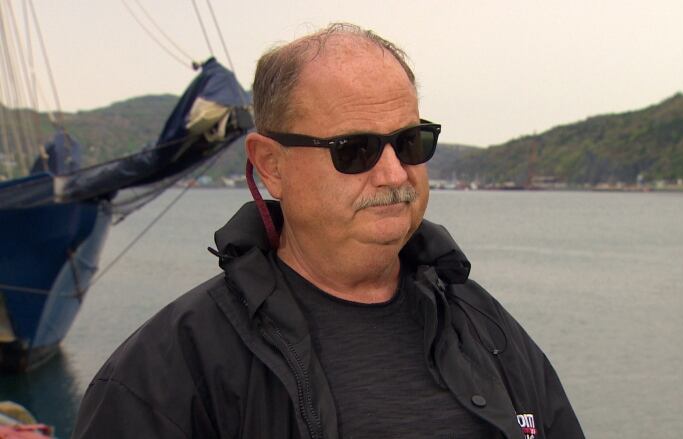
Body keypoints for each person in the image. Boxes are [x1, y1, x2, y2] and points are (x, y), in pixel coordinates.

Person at [73, 23, 585, 439]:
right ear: (270, 165)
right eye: (354, 150)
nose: (393, 174)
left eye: (409, 142)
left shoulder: (485, 327)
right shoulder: (168, 372)